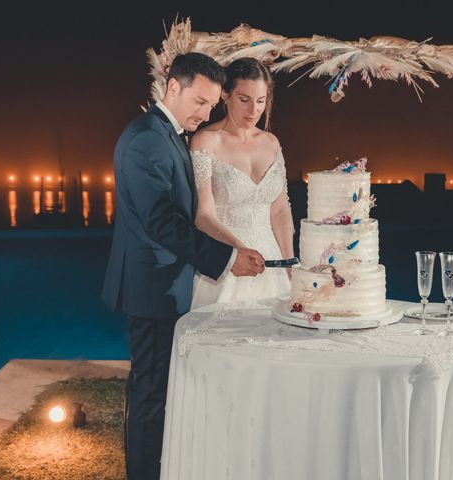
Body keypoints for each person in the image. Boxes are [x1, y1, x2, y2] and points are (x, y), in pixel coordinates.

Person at [101, 52, 265, 480]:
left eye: (211, 105)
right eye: (199, 101)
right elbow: (161, 221)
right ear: (172, 86)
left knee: (157, 390)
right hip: (151, 287)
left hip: (166, 284)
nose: (205, 112)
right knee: (151, 394)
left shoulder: (167, 133)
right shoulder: (146, 139)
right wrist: (227, 258)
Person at [189, 57, 294, 309]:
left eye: (260, 101)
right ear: (226, 94)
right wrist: (239, 252)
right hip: (227, 260)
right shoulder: (206, 141)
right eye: (244, 100)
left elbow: (279, 209)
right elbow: (203, 214)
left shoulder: (271, 142)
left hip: (272, 264)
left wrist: (289, 262)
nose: (253, 111)